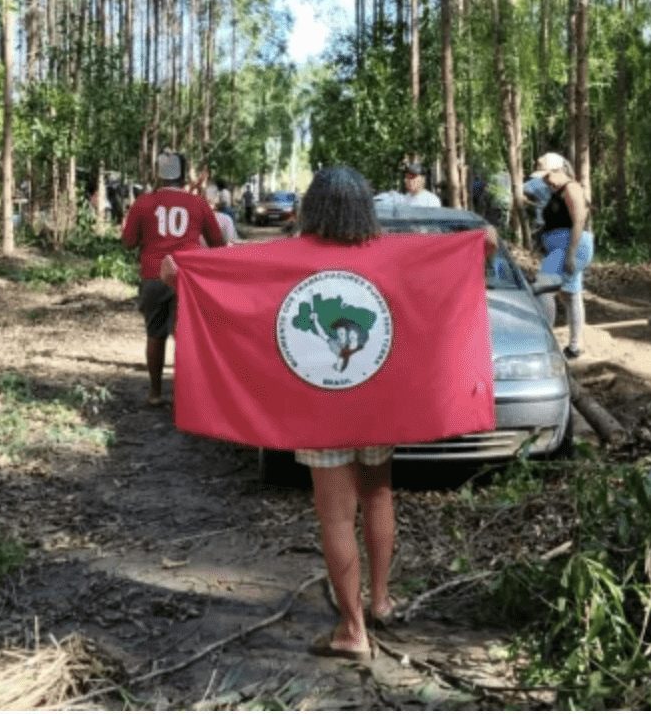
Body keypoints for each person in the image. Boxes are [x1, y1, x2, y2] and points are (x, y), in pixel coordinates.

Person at [161, 166, 497, 661]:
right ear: (366, 209)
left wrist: (182, 272)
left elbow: (178, 270)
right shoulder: (394, 256)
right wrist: (473, 244)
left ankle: (352, 629)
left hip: (319, 409)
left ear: (313, 209)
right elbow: (486, 241)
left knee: (336, 518)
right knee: (379, 495)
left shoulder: (282, 258)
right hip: (376, 405)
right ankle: (380, 600)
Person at [121, 150, 223, 406]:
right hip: (187, 277)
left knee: (155, 334)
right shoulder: (197, 204)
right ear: (184, 174)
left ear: (159, 174)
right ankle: (186, 396)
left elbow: (128, 242)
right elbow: (217, 243)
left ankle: (155, 393)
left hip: (154, 275)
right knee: (186, 336)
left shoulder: (144, 202)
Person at [531, 152, 594, 359]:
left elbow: (579, 221)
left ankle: (543, 341)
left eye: (548, 176)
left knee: (543, 289)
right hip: (561, 248)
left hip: (568, 247)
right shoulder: (557, 192)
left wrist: (570, 254)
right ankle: (575, 346)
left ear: (558, 171)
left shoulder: (572, 188)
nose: (546, 181)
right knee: (570, 294)